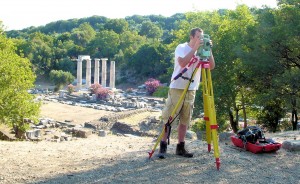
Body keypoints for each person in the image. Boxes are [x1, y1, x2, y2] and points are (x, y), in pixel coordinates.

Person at [158, 27, 215, 159]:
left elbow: (211, 66)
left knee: (185, 119)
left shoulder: (202, 51)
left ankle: (180, 147)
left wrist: (208, 49)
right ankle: (163, 146)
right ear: (191, 37)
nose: (200, 40)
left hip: (191, 89)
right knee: (169, 118)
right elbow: (182, 63)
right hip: (177, 87)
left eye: (203, 38)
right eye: (198, 37)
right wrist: (194, 49)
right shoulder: (181, 47)